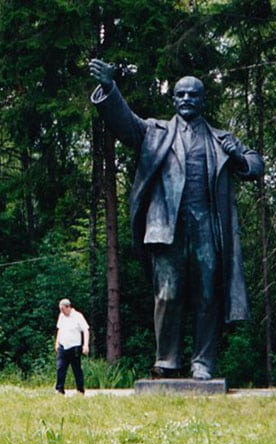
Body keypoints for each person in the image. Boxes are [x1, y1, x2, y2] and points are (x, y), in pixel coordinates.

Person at [88, 59, 264, 380]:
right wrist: (110, 88)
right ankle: (167, 360)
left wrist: (237, 156)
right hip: (166, 228)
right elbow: (124, 122)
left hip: (207, 228)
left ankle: (203, 362)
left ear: (203, 100)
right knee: (168, 295)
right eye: (180, 95)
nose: (186, 100)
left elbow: (255, 165)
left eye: (192, 95)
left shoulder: (219, 139)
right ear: (173, 100)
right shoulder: (155, 133)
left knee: (207, 295)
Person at [54, 298, 90, 394]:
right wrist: (57, 343)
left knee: (76, 369)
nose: (62, 311)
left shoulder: (78, 316)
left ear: (68, 307)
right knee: (60, 367)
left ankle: (80, 390)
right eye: (60, 309)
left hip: (74, 347)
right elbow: (59, 329)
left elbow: (86, 330)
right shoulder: (61, 316)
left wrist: (85, 345)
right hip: (62, 346)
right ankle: (59, 389)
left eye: (63, 309)